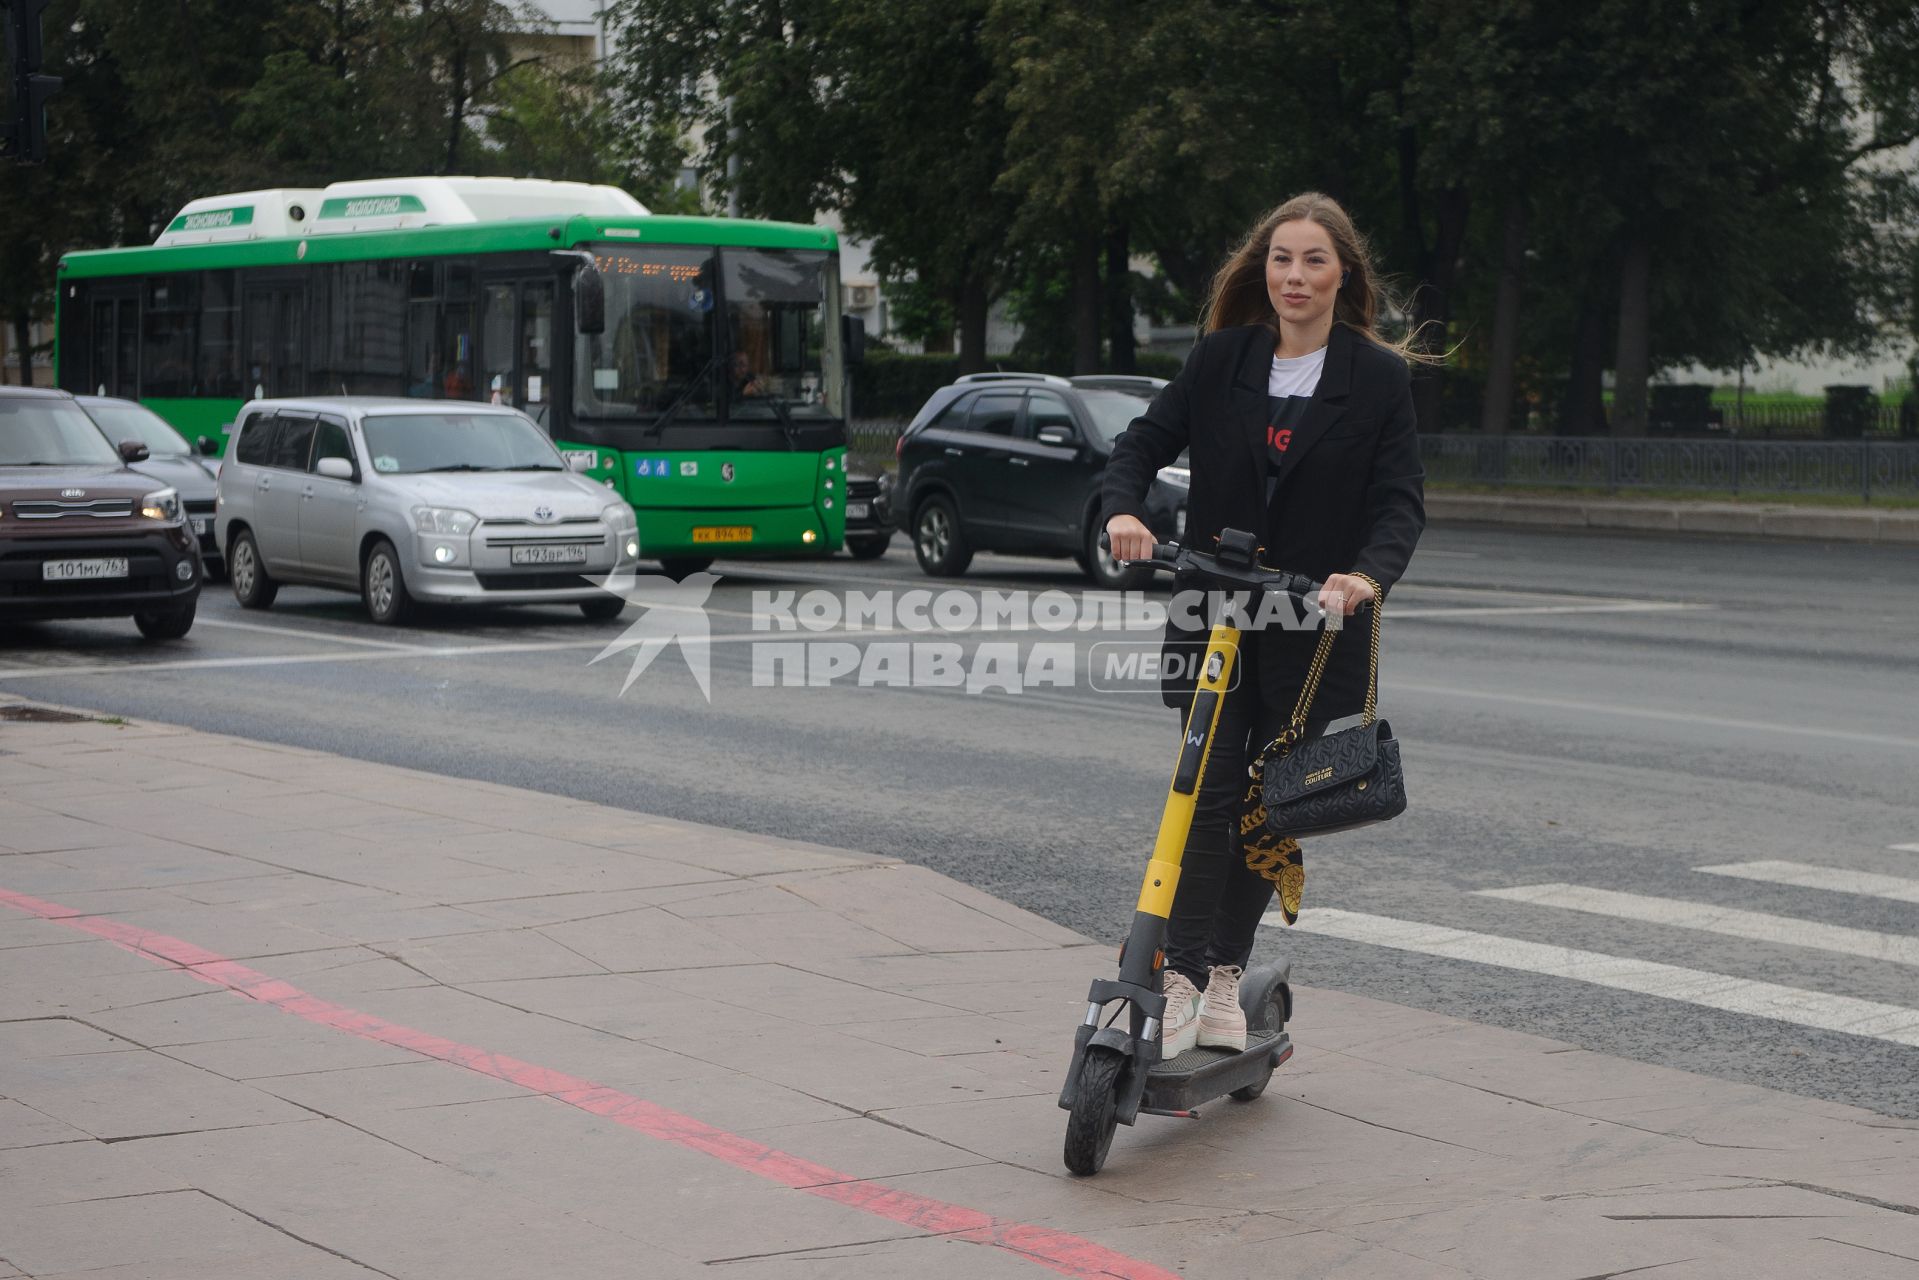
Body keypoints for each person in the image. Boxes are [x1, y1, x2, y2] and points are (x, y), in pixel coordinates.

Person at [1101, 192, 1427, 1059]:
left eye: (1313, 260)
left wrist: (1365, 575)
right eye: (1281, 259)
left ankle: (1219, 979)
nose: (1294, 276)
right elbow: (1138, 443)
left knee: (1264, 806)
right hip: (1213, 609)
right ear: (1263, 269)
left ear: (1341, 275)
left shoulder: (1377, 379)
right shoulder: (1219, 361)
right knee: (1205, 793)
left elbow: (1398, 505)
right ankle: (1173, 974)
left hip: (1314, 632)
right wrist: (1122, 510)